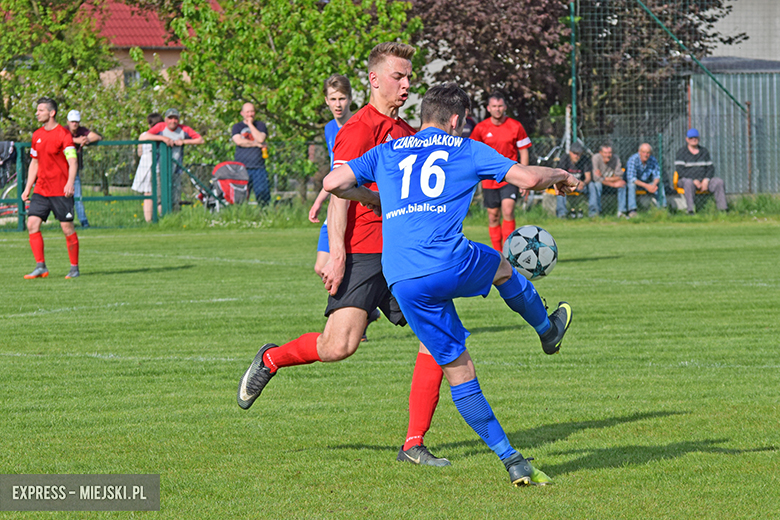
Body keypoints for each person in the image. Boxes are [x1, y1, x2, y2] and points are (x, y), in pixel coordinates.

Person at [323, 83, 577, 487]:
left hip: (401, 277)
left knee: (458, 367)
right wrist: (562, 175)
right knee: (502, 269)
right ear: (457, 120)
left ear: (425, 115)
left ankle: (513, 461)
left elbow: (334, 183)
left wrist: (374, 200)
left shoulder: (388, 151)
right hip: (446, 260)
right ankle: (547, 330)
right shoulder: (466, 147)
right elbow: (527, 177)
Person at [237, 42, 451, 468]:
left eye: (409, 77)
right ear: (374, 79)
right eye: (398, 76)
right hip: (364, 253)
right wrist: (334, 254)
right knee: (338, 346)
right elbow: (338, 194)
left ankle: (413, 443)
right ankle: (270, 358)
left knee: (439, 337)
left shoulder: (408, 132)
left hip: (405, 255)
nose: (407, 85)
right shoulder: (358, 129)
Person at [308, 74, 381, 341]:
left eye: (342, 98)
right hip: (336, 202)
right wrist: (319, 200)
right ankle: (365, 311)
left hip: (358, 205)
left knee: (338, 263)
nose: (338, 104)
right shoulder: (330, 128)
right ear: (326, 101)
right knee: (320, 266)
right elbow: (335, 173)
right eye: (333, 99)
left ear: (350, 99)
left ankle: (355, 316)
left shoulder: (357, 125)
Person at [21, 97, 81, 279]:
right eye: (37, 110)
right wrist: (27, 187)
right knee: (32, 224)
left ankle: (74, 268)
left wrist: (70, 182)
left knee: (67, 228)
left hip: (61, 190)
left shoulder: (64, 134)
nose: (37, 113)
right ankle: (40, 266)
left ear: (51, 113)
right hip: (41, 189)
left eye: (41, 110)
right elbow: (35, 162)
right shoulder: (36, 135)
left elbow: (72, 161)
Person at [470, 92, 532, 251]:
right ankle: (498, 253)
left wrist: (524, 177)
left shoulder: (515, 126)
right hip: (489, 179)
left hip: (510, 176)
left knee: (508, 210)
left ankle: (510, 251)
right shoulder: (480, 128)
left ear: (504, 107)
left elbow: (523, 151)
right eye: (494, 106)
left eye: (500, 106)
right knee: (493, 216)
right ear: (488, 108)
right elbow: (473, 153)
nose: (497, 109)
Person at [144, 108, 204, 211]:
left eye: (175, 118)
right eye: (170, 118)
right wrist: (163, 139)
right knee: (161, 197)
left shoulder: (184, 129)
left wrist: (184, 142)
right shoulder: (160, 127)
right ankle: (163, 219)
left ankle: (174, 219)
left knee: (175, 198)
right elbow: (146, 136)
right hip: (160, 168)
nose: (173, 121)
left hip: (176, 169)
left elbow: (200, 140)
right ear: (166, 119)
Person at [674, 128, 727, 214]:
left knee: (719, 182)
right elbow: (680, 170)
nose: (694, 140)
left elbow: (710, 168)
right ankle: (690, 210)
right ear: (687, 139)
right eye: (691, 138)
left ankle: (723, 210)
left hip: (703, 180)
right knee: (688, 182)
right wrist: (694, 180)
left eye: (696, 137)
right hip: (686, 180)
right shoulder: (681, 152)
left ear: (699, 139)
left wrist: (706, 180)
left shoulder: (704, 152)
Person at [66, 110, 102, 228]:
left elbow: (97, 136)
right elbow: (60, 140)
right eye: (72, 122)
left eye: (76, 122)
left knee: (77, 197)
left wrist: (88, 140)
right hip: (61, 170)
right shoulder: (63, 131)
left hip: (74, 171)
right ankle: (66, 221)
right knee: (60, 198)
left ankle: (83, 222)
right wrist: (76, 140)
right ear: (68, 122)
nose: (74, 124)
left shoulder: (82, 131)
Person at [231, 103, 269, 205]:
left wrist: (250, 125)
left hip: (258, 167)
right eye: (247, 112)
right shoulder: (237, 127)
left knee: (262, 194)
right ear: (242, 113)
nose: (250, 114)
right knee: (241, 196)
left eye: (252, 111)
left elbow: (261, 138)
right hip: (241, 167)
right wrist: (255, 144)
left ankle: (265, 214)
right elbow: (239, 141)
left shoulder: (260, 125)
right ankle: (240, 214)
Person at [132, 113, 164, 222]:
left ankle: (150, 220)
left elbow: (139, 152)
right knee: (151, 193)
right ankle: (152, 219)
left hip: (146, 165)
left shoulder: (144, 135)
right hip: (151, 165)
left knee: (150, 194)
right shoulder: (158, 136)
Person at [555, 142, 591, 218]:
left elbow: (588, 177)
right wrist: (572, 183)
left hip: (580, 186)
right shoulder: (564, 158)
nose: (576, 156)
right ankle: (562, 214)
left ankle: (593, 213)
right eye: (574, 153)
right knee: (560, 186)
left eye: (579, 154)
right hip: (568, 185)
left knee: (593, 186)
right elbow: (560, 176)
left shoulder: (585, 160)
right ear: (570, 152)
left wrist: (583, 183)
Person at [625, 143, 662, 217]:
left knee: (660, 185)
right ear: (639, 152)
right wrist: (647, 186)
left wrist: (653, 185)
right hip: (636, 183)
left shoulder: (653, 160)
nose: (646, 154)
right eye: (643, 152)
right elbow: (631, 178)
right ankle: (632, 211)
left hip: (647, 183)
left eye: (648, 153)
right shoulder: (633, 159)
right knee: (631, 185)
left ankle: (662, 208)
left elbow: (657, 175)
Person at [589, 143, 625, 217]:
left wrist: (604, 178)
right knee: (597, 185)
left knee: (622, 184)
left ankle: (621, 212)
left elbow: (620, 176)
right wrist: (613, 183)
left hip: (608, 182)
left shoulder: (616, 158)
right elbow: (596, 178)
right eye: (605, 153)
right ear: (600, 153)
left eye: (610, 153)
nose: (608, 155)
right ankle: (597, 212)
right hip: (603, 184)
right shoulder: (596, 158)